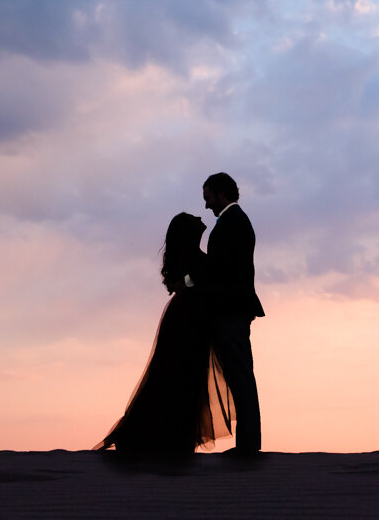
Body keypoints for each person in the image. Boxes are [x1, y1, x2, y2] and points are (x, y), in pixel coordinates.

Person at [97, 213, 233, 453]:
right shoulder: (189, 255)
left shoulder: (191, 254)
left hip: (191, 318)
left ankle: (175, 435)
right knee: (178, 373)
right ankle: (169, 436)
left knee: (185, 374)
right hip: (186, 320)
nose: (200, 216)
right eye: (193, 218)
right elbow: (188, 282)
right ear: (187, 230)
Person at [193, 171, 264, 454]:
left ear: (222, 193)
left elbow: (220, 271)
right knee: (239, 375)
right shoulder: (234, 222)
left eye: (208, 198)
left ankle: (249, 447)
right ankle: (248, 444)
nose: (207, 205)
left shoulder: (232, 223)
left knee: (240, 375)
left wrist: (190, 279)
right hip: (233, 308)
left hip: (231, 310)